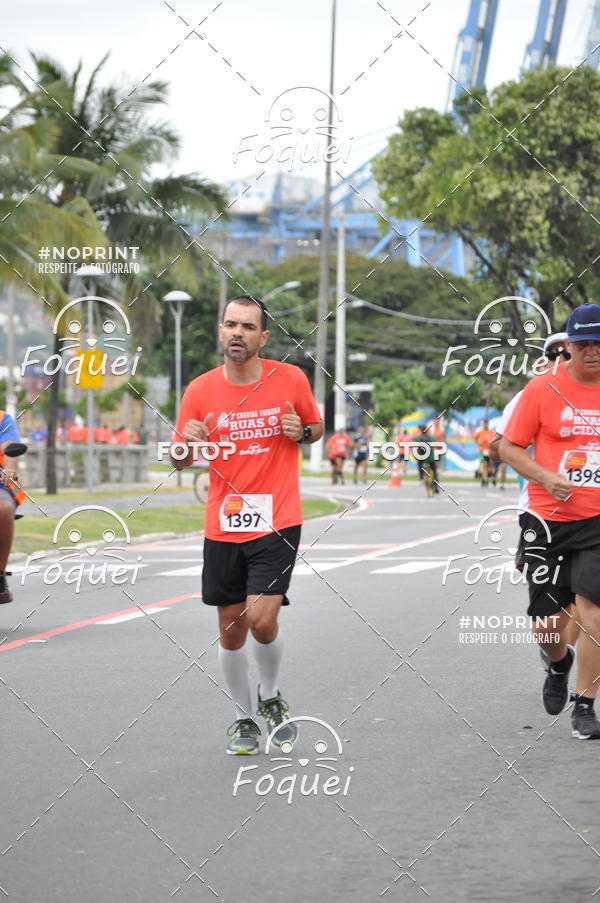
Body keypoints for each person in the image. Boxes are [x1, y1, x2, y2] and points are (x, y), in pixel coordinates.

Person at [171, 294, 323, 755]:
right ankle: (243, 719)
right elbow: (178, 461)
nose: (238, 332)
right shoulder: (199, 390)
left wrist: (304, 432)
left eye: (248, 327)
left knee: (261, 620)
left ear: (262, 337)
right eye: (231, 325)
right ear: (220, 332)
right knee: (231, 629)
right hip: (223, 523)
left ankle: (271, 694)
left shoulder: (290, 378)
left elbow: (316, 427)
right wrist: (186, 442)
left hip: (277, 519)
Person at [500, 304, 600, 740]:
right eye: (583, 345)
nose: (592, 353)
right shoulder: (541, 390)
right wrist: (545, 477)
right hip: (545, 519)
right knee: (547, 625)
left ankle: (586, 704)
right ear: (569, 346)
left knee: (594, 613)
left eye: (599, 345)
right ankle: (559, 665)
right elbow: (508, 447)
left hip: (597, 520)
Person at [0, 409, 25, 604]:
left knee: (3, 509)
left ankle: (0, 575)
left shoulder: (2, 418)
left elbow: (8, 445)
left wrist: (9, 467)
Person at [414, 423, 439, 492]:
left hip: (421, 458)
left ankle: (421, 477)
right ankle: (436, 486)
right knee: (434, 471)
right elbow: (436, 445)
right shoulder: (432, 437)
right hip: (431, 458)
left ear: (420, 430)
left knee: (419, 464)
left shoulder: (417, 438)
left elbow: (414, 442)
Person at [475, 419, 496, 487]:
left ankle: (491, 476)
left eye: (486, 423)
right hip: (482, 450)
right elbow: (475, 438)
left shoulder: (491, 432)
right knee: (484, 465)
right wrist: (478, 443)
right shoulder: (480, 432)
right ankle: (484, 480)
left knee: (489, 465)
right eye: (484, 423)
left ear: (488, 424)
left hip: (489, 450)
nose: (485, 425)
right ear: (483, 424)